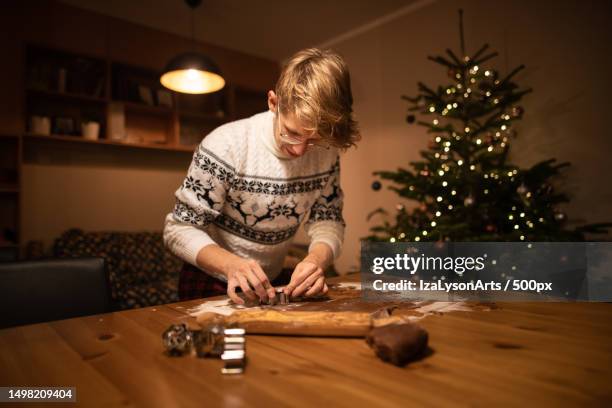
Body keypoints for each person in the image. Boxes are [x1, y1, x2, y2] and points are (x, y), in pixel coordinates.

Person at [163, 48, 360, 305]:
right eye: (291, 133)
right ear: (273, 103)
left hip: (271, 279)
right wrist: (231, 264)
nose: (299, 150)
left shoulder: (328, 154)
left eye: (314, 140)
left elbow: (328, 220)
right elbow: (178, 229)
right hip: (211, 277)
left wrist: (315, 261)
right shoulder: (225, 145)